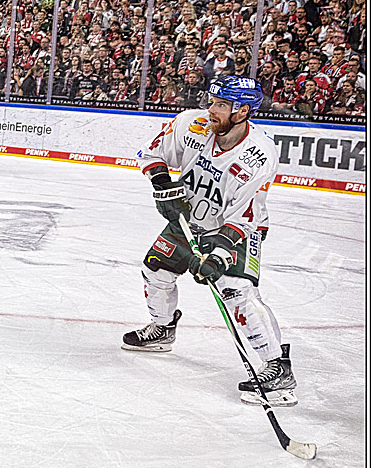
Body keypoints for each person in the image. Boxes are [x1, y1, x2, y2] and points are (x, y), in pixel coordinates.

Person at [122, 76, 296, 407]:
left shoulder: (259, 155)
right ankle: (161, 329)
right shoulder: (193, 124)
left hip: (237, 230)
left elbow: (243, 216)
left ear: (243, 111)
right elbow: (153, 152)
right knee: (155, 270)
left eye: (220, 105)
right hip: (191, 218)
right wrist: (162, 184)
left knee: (236, 292)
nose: (210, 110)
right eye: (211, 101)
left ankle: (278, 367)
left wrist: (216, 258)